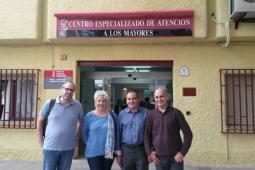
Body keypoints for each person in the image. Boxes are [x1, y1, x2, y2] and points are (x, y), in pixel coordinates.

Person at [37, 81, 83, 170]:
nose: (69, 92)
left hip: (68, 148)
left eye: (72, 90)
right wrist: (40, 139)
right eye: (67, 89)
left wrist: (77, 137)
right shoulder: (50, 103)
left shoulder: (78, 106)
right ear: (61, 90)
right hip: (50, 147)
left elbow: (81, 121)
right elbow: (40, 121)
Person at [144, 87, 193, 170]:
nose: (159, 99)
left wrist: (182, 153)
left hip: (175, 158)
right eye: (156, 97)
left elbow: (188, 134)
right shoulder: (151, 114)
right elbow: (146, 135)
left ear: (167, 97)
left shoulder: (176, 113)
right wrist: (149, 152)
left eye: (161, 96)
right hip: (158, 158)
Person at [82, 90, 118, 170]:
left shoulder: (112, 116)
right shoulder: (89, 116)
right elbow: (85, 134)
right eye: (99, 101)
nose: (101, 103)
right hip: (92, 151)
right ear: (95, 102)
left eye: (104, 101)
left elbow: (117, 133)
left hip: (108, 153)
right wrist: (91, 143)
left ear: (107, 103)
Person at [117, 90, 149, 170]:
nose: (131, 101)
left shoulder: (147, 113)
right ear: (126, 100)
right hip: (126, 150)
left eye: (133, 98)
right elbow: (118, 133)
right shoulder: (122, 114)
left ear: (138, 99)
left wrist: (150, 151)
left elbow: (150, 133)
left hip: (141, 150)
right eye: (129, 99)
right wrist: (118, 153)